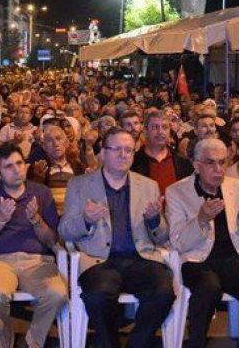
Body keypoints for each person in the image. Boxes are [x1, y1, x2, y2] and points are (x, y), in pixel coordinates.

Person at [58, 127, 175, 348]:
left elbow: (163, 237)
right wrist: (86, 220)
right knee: (98, 295)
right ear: (102, 154)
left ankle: (136, 343)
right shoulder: (80, 185)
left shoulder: (148, 186)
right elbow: (64, 231)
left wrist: (153, 220)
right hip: (99, 260)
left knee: (163, 292)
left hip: (140, 258)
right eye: (117, 149)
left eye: (129, 150)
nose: (123, 155)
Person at [166, 138, 239, 348]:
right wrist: (201, 219)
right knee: (209, 288)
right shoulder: (177, 192)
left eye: (222, 162)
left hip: (233, 258)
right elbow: (178, 243)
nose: (218, 169)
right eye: (210, 163)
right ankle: (196, 342)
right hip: (196, 261)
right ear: (196, 165)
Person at [0, 142, 66, 348]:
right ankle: (5, 338)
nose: (17, 170)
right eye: (9, 166)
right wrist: (1, 220)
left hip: (37, 261)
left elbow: (52, 241)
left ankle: (32, 342)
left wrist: (37, 220)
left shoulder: (41, 193)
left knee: (57, 294)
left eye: (19, 163)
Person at [131, 110, 194, 195]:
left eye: (164, 127)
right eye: (155, 127)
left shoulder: (183, 162)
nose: (160, 132)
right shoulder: (133, 162)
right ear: (145, 131)